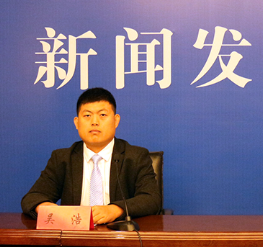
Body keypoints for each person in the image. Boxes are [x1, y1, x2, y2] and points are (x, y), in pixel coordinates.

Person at [21, 87, 161, 224]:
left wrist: (115, 209)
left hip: (119, 234)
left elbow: (151, 199)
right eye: (87, 115)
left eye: (102, 115)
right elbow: (32, 197)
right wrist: (47, 207)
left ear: (116, 120)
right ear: (77, 122)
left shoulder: (135, 157)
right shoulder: (63, 158)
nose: (94, 122)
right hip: (74, 234)